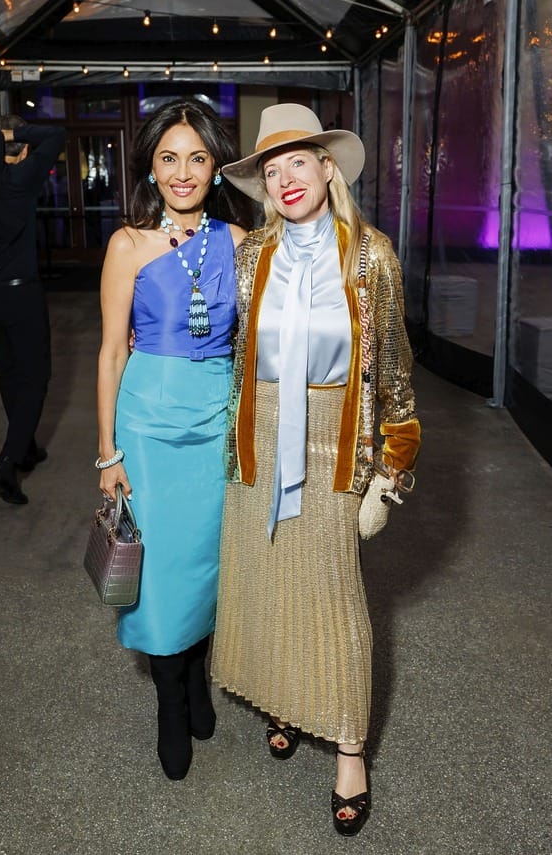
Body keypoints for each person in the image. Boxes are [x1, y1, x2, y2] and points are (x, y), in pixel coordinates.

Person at [211, 104, 421, 835]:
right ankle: (285, 697)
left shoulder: (370, 255)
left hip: (335, 445)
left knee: (334, 598)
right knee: (267, 580)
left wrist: (389, 476)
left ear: (328, 167)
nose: (285, 179)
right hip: (260, 439)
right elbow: (235, 359)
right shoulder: (250, 256)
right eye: (271, 170)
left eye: (297, 161)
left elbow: (394, 377)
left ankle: (350, 750)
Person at [96, 98, 253, 781]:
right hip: (148, 424)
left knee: (204, 561)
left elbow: (256, 342)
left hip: (214, 416)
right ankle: (169, 693)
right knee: (157, 569)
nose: (182, 172)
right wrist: (108, 452)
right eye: (168, 158)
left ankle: (195, 676)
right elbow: (108, 352)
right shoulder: (127, 243)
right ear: (150, 168)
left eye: (196, 157)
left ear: (216, 166)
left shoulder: (242, 243)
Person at [0, 115, 67, 505]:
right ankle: (8, 466)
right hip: (20, 295)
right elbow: (57, 134)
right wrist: (10, 135)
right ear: (22, 150)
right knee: (34, 378)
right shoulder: (20, 180)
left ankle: (26, 444)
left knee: (8, 370)